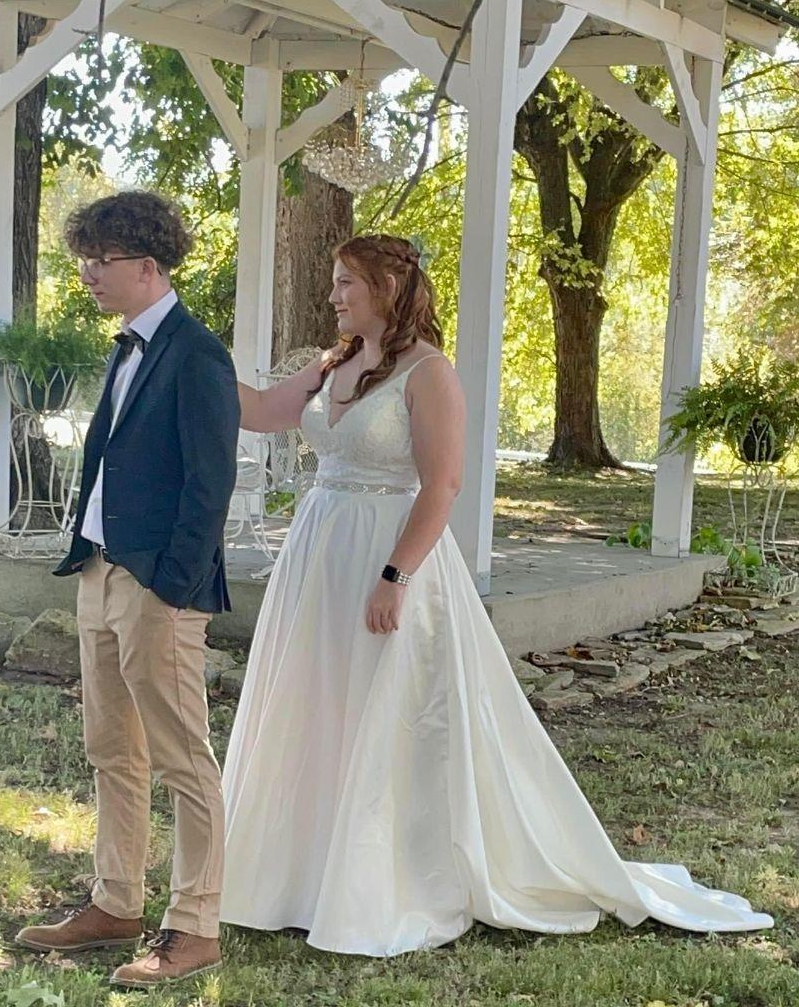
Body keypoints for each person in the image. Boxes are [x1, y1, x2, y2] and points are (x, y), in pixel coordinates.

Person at [220, 233, 772, 957]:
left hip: (389, 550)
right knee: (318, 697)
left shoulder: (428, 373)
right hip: (320, 547)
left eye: (344, 283)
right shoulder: (333, 363)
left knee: (386, 705)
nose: (332, 297)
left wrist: (395, 576)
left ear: (386, 288)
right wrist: (190, 360)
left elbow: (442, 484)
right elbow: (261, 411)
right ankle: (301, 870)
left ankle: (383, 875)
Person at [15, 190, 240, 988]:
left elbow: (210, 486)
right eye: (85, 258)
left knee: (182, 758)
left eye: (99, 261)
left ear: (147, 266)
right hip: (99, 569)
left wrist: (170, 587)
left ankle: (195, 924)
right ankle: (115, 903)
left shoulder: (199, 355)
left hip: (156, 585)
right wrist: (89, 554)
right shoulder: (128, 347)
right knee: (112, 749)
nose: (86, 274)